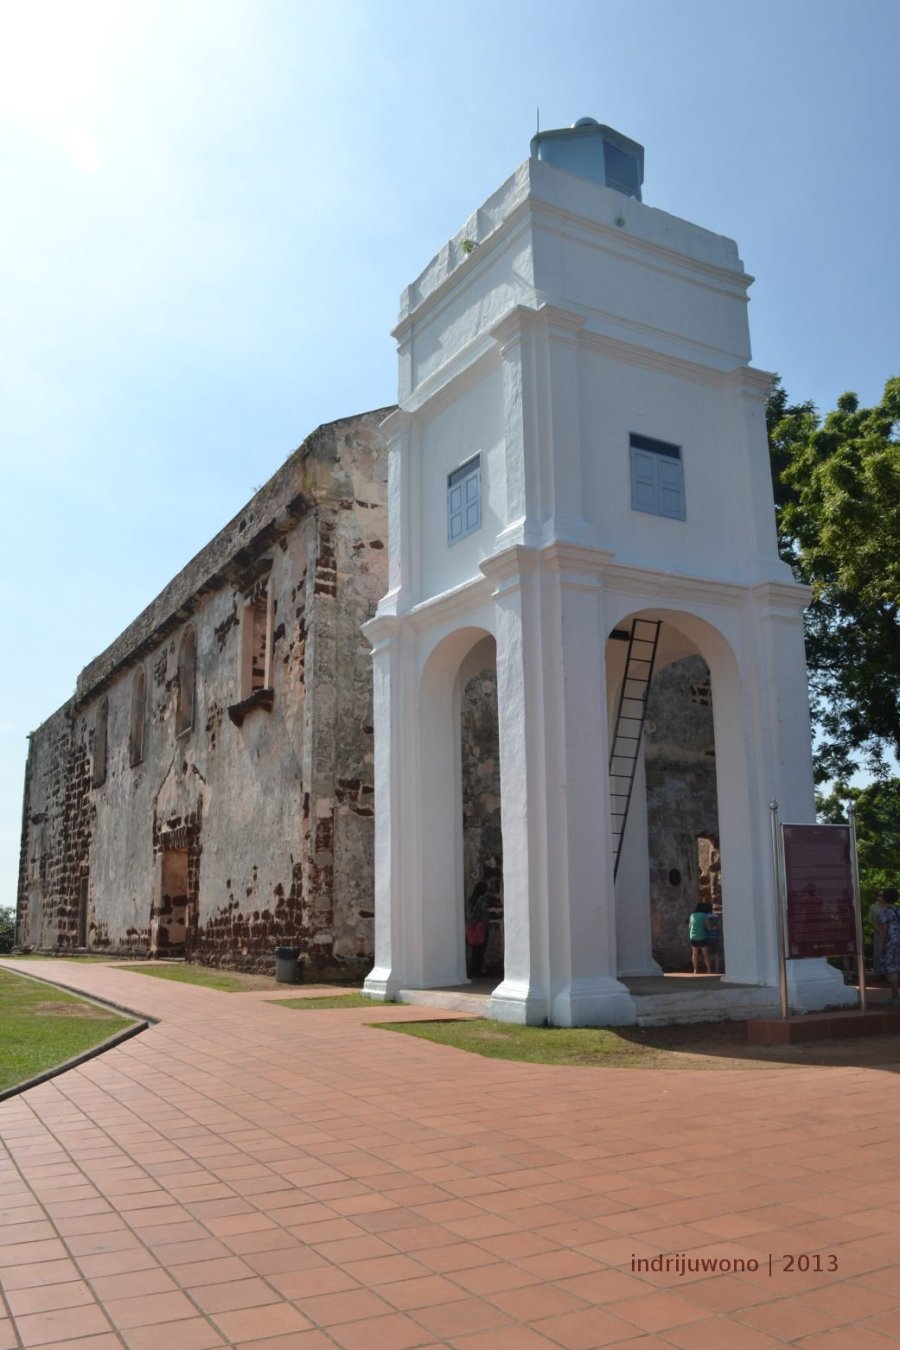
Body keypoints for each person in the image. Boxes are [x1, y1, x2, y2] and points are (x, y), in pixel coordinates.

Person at [875, 888, 900, 1003]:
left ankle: (895, 997)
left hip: (891, 942)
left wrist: (881, 946)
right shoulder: (898, 910)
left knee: (891, 969)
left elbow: (884, 931)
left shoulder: (884, 913)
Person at [465, 880, 489, 978]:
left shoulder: (471, 900)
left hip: (472, 927)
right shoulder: (482, 899)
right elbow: (484, 914)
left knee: (474, 950)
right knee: (480, 950)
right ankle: (477, 971)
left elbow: (468, 914)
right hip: (481, 928)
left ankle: (473, 971)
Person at [688, 901, 712, 974]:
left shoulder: (692, 915)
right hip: (702, 936)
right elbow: (709, 928)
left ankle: (695, 970)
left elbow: (689, 926)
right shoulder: (704, 915)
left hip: (693, 936)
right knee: (706, 954)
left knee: (694, 954)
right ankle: (709, 970)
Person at [869, 890, 886, 981]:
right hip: (878, 932)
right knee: (878, 952)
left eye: (883, 895)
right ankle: (878, 974)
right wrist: (877, 928)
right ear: (876, 896)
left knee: (888, 952)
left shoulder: (890, 906)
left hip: (890, 933)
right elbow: (870, 919)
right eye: (880, 895)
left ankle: (888, 974)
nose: (881, 897)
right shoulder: (873, 907)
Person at [705, 905, 723, 974]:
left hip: (707, 936)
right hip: (715, 936)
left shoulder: (705, 916)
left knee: (707, 955)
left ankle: (709, 970)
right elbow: (718, 927)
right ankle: (717, 970)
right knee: (716, 954)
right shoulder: (716, 916)